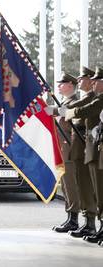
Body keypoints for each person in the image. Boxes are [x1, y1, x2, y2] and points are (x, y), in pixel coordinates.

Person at [65, 67, 103, 244]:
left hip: (94, 148)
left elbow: (84, 111)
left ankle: (94, 224)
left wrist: (66, 112)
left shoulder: (97, 99)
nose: (94, 83)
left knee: (96, 189)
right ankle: (92, 224)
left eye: (97, 80)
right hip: (89, 148)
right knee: (91, 187)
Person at [44, 73, 81, 233]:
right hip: (62, 150)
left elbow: (67, 112)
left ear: (70, 85)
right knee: (66, 185)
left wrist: (53, 109)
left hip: (70, 150)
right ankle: (69, 216)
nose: (58, 86)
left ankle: (74, 219)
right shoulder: (65, 102)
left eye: (61, 83)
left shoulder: (76, 102)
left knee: (72, 185)